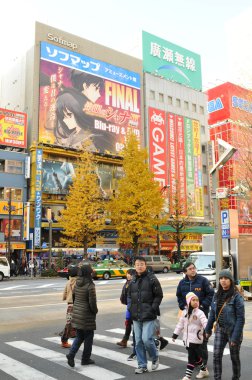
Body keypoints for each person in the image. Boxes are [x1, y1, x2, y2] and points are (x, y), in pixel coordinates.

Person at [205, 269, 245, 380]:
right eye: (221, 278)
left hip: (233, 331)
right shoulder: (216, 295)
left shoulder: (237, 297)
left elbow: (241, 319)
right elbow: (212, 314)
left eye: (226, 278)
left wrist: (235, 337)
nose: (223, 281)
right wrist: (207, 330)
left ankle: (236, 377)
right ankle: (217, 378)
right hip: (220, 329)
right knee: (216, 355)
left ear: (231, 281)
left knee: (234, 357)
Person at [176, 261, 214, 373]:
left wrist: (202, 306)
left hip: (201, 314)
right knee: (190, 338)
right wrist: (183, 306)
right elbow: (179, 296)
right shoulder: (182, 283)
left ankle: (204, 363)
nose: (193, 270)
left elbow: (210, 294)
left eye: (194, 268)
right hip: (188, 315)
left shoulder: (203, 281)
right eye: (190, 269)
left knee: (201, 339)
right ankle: (193, 361)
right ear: (185, 272)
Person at [127, 256, 163, 374]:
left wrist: (153, 308)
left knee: (146, 339)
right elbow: (129, 296)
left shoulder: (152, 278)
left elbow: (159, 295)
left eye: (142, 264)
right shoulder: (133, 280)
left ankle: (154, 357)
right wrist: (130, 309)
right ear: (135, 266)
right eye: (137, 264)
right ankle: (142, 365)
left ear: (145, 265)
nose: (139, 266)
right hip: (136, 315)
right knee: (138, 341)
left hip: (149, 314)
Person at [66, 264, 98, 368]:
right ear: (88, 273)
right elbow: (92, 302)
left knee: (79, 336)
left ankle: (71, 354)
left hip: (77, 312)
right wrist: (95, 311)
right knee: (89, 337)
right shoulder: (90, 285)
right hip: (87, 315)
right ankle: (85, 359)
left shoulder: (77, 283)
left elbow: (74, 297)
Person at [172, 292, 209, 380]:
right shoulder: (184, 312)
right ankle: (204, 370)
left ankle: (187, 376)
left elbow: (205, 322)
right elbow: (180, 324)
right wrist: (175, 335)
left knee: (191, 357)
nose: (196, 302)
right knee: (196, 357)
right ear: (188, 301)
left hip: (196, 339)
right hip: (187, 339)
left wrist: (208, 329)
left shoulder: (200, 313)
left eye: (197, 300)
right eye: (193, 300)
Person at [61, 266, 78, 348]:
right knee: (80, 322)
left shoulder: (68, 282)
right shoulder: (78, 281)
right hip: (77, 305)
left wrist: (65, 298)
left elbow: (64, 294)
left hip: (70, 305)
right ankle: (65, 340)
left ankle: (64, 340)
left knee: (69, 323)